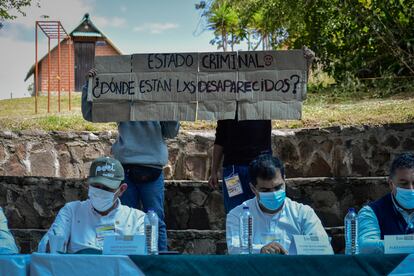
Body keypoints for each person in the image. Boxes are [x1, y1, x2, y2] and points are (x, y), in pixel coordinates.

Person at [209, 47, 315, 214]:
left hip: (262, 166)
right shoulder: (227, 101)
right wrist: (213, 170)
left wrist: (306, 63)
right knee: (237, 213)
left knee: (267, 212)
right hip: (233, 171)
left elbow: (292, 91)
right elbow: (220, 138)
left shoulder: (266, 95)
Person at [82, 71, 179, 251]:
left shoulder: (158, 100)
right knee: (131, 219)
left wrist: (170, 104)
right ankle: (131, 258)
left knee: (153, 219)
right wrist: (91, 84)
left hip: (149, 168)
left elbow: (171, 131)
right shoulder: (122, 98)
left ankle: (157, 261)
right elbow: (91, 114)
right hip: (128, 169)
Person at [226, 154, 331, 254]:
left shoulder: (303, 213)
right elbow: (234, 249)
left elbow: (324, 249)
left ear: (284, 180)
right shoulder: (237, 215)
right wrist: (261, 250)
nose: (273, 194)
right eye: (265, 190)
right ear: (253, 189)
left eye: (277, 187)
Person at [38, 157, 145, 253]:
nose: (100, 191)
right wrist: (53, 243)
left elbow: (143, 261)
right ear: (88, 184)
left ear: (121, 190)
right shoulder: (71, 211)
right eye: (96, 186)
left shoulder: (137, 219)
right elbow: (48, 249)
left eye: (107, 188)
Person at [358, 152, 414, 254]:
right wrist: (407, 244)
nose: (411, 189)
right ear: (391, 184)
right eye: (404, 183)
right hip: (389, 269)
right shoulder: (371, 212)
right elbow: (366, 247)